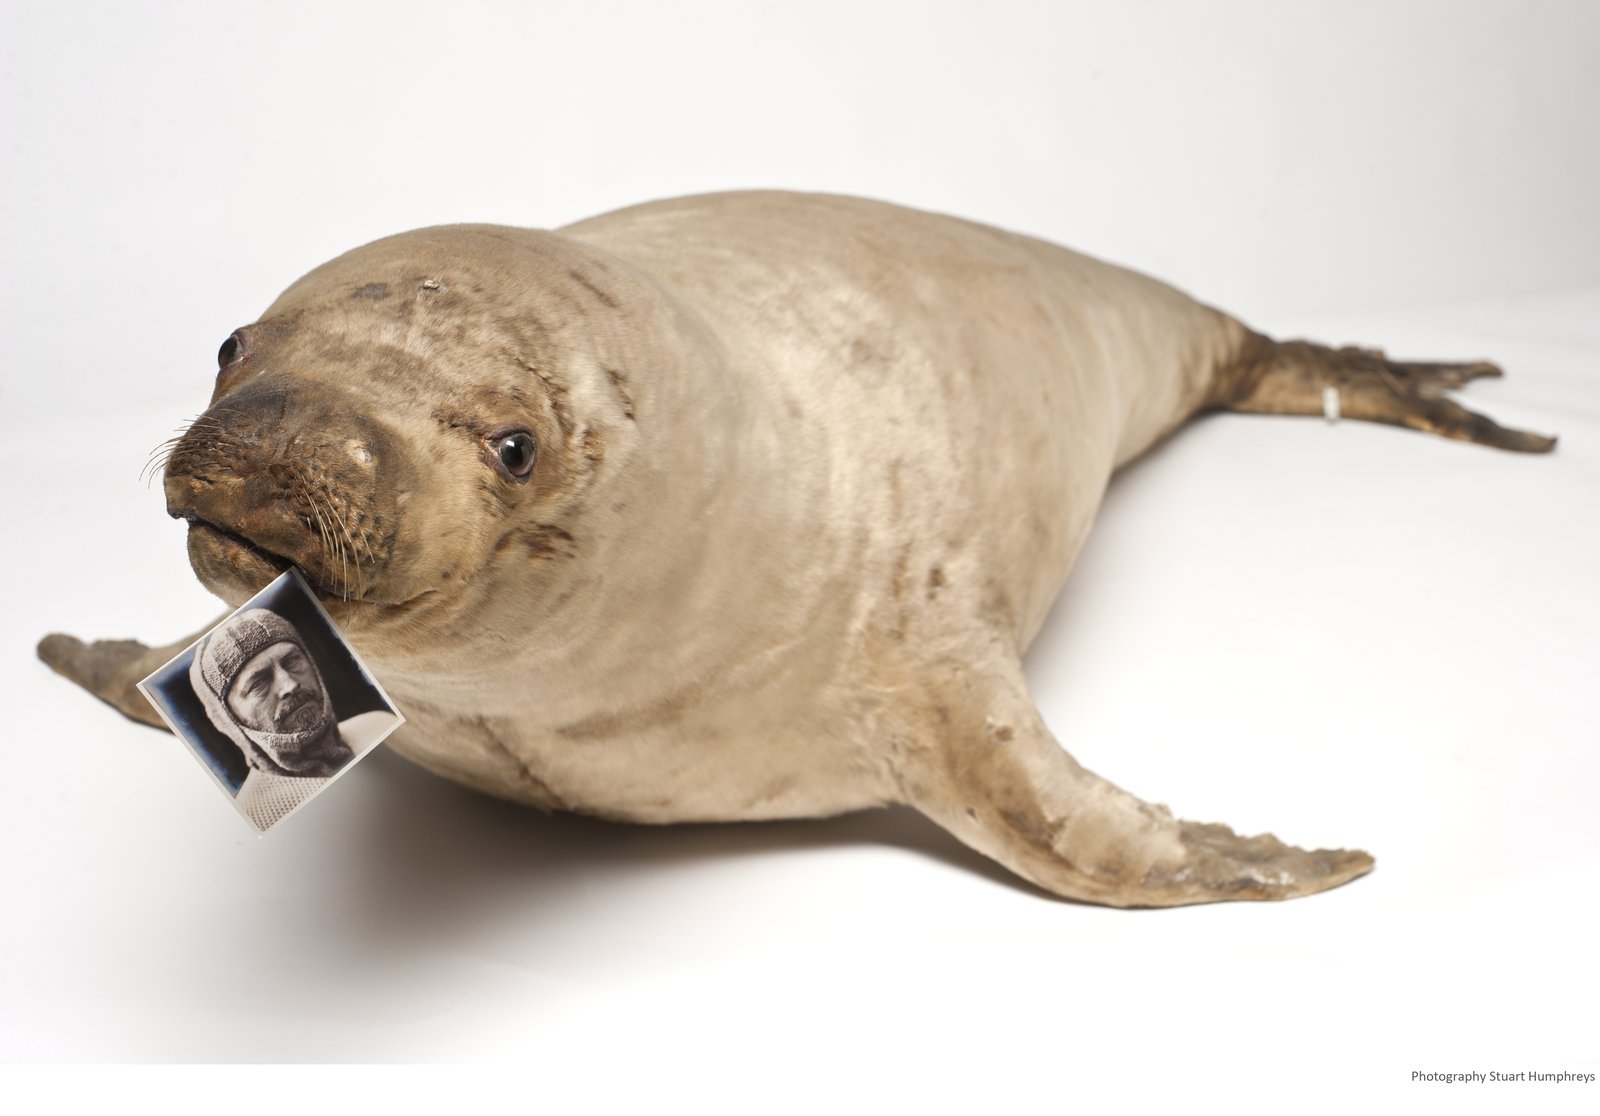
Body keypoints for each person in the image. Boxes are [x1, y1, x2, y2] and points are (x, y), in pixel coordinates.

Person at [189, 608, 391, 830]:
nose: (290, 685)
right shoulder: (254, 817)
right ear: (229, 718)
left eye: (292, 661)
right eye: (259, 683)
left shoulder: (381, 725)